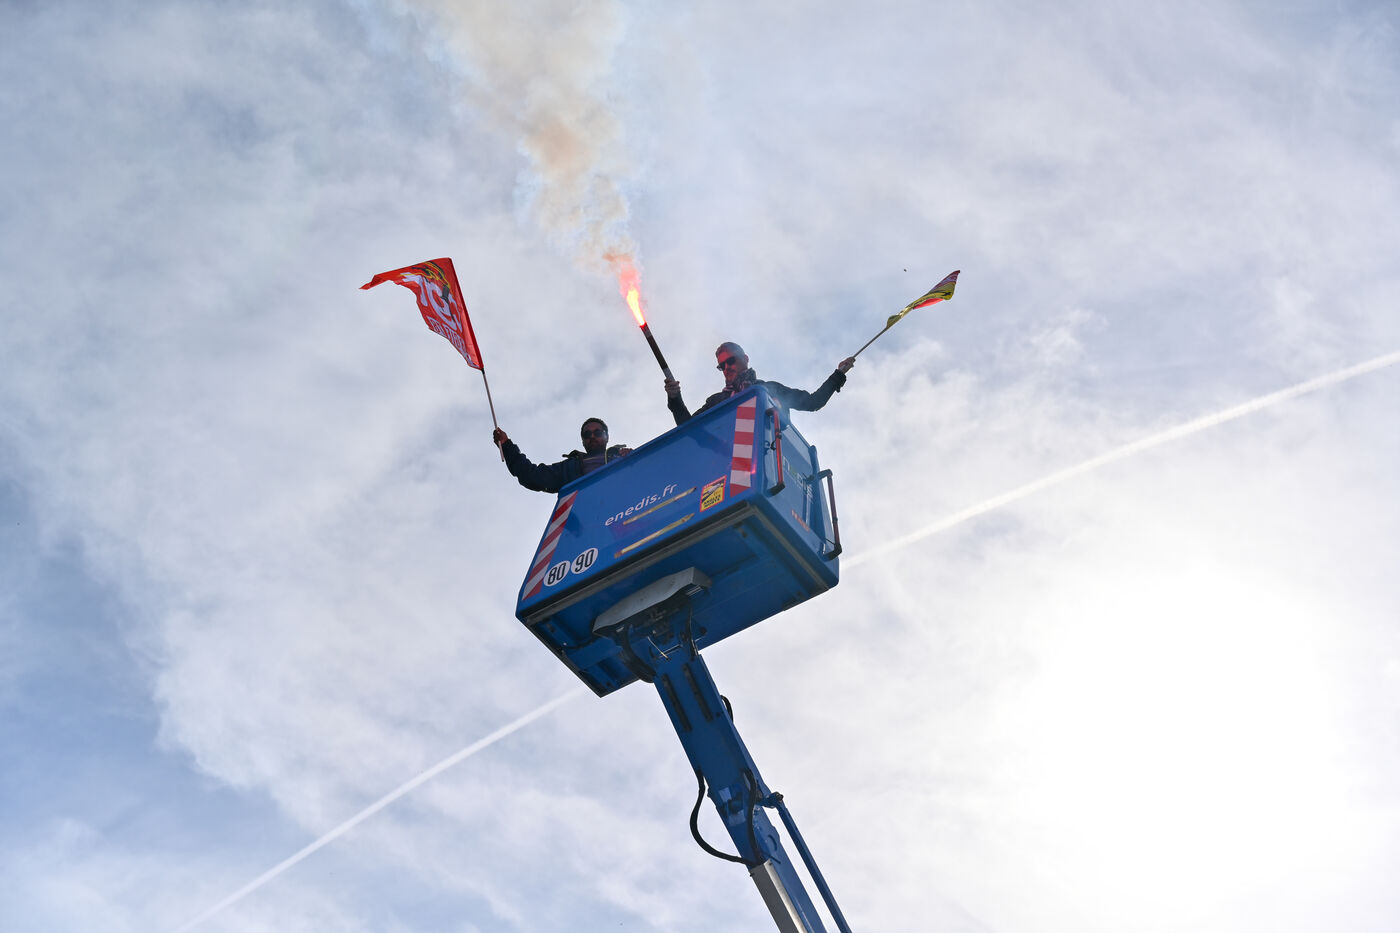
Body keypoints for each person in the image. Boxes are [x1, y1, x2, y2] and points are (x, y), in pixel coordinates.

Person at [664, 342, 855, 426]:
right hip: (724, 465)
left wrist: (838, 374)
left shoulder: (769, 389)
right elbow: (688, 428)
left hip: (766, 457)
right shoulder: (716, 401)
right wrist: (675, 398)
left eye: (731, 361)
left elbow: (813, 402)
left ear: (745, 359)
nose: (726, 368)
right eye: (721, 366)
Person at [492, 418, 631, 493]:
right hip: (587, 521)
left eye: (598, 432)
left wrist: (634, 460)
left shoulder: (624, 457)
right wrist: (507, 445)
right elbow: (531, 475)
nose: (592, 436)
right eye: (587, 434)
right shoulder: (568, 469)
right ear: (583, 441)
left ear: (607, 437)